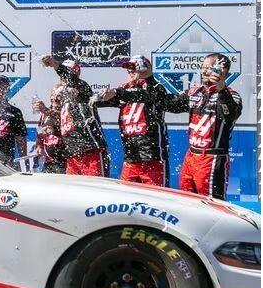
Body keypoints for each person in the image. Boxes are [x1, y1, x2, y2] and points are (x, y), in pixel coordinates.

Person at [164, 53, 242, 200]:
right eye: (203, 67)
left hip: (212, 158)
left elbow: (229, 114)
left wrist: (221, 90)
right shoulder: (195, 92)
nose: (204, 71)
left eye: (208, 68)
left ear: (222, 71)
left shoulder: (232, 95)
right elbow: (169, 104)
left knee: (211, 205)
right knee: (186, 200)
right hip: (191, 156)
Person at [95, 55, 170, 186]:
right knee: (127, 200)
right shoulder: (123, 89)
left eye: (133, 67)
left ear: (144, 68)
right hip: (130, 158)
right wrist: (99, 97)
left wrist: (147, 77)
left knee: (155, 200)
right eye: (127, 68)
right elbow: (98, 102)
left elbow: (145, 96)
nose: (129, 71)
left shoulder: (155, 88)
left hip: (152, 158)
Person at [40, 55, 110, 177]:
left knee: (96, 192)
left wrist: (55, 64)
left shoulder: (84, 91)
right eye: (61, 77)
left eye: (66, 74)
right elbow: (65, 128)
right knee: (73, 193)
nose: (63, 79)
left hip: (91, 151)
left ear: (76, 72)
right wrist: (48, 119)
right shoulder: (64, 102)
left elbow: (71, 78)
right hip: (72, 155)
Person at [33, 84, 68, 174]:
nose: (55, 97)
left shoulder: (66, 112)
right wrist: (39, 146)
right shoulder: (44, 113)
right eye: (53, 94)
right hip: (48, 161)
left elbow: (61, 122)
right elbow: (40, 132)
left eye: (58, 95)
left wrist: (45, 110)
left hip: (64, 161)